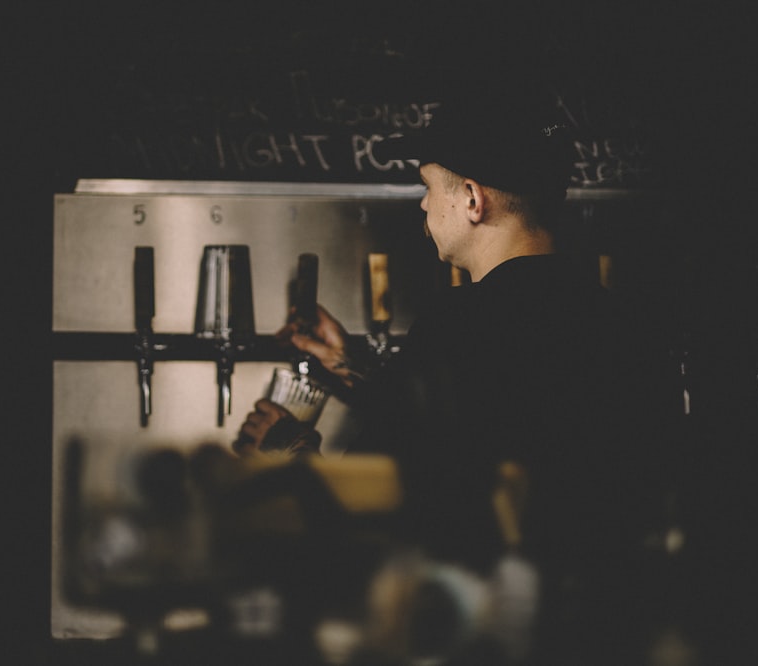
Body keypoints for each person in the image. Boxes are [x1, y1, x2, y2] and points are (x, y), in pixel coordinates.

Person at [237, 89, 666, 664]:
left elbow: (379, 505)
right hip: (600, 632)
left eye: (428, 188)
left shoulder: (459, 324)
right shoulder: (620, 322)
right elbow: (487, 414)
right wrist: (341, 365)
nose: (422, 206)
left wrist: (289, 448)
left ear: (470, 199)